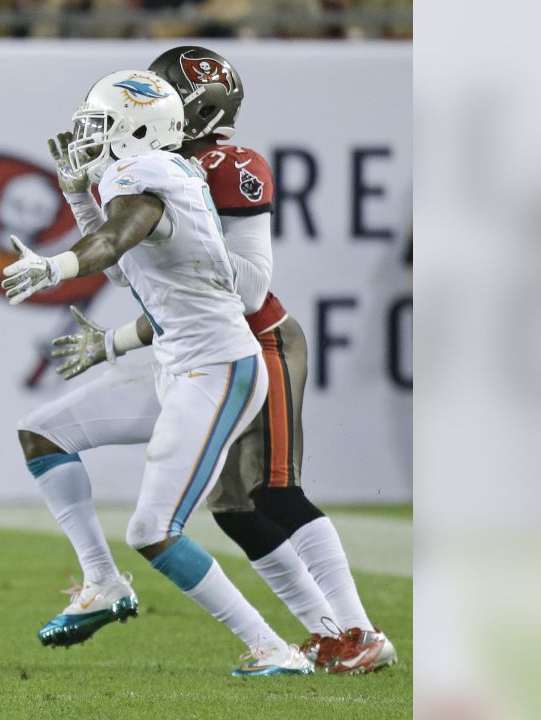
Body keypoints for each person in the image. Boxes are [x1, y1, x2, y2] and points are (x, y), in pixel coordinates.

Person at [40, 46, 396, 674]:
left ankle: (357, 631)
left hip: (257, 341)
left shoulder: (223, 166)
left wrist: (190, 240)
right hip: (187, 349)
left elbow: (249, 289)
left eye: (162, 91)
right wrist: (116, 339)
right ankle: (328, 636)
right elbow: (146, 281)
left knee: (275, 493)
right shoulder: (154, 169)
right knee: (232, 509)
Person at [3, 69, 312, 676]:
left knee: (153, 529)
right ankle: (101, 581)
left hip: (217, 366)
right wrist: (74, 198)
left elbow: (117, 239)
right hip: (181, 362)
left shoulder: (141, 176)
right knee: (44, 435)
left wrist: (57, 266)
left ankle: (274, 648)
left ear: (138, 128)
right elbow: (126, 270)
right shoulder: (155, 174)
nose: (87, 135)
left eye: (100, 124)